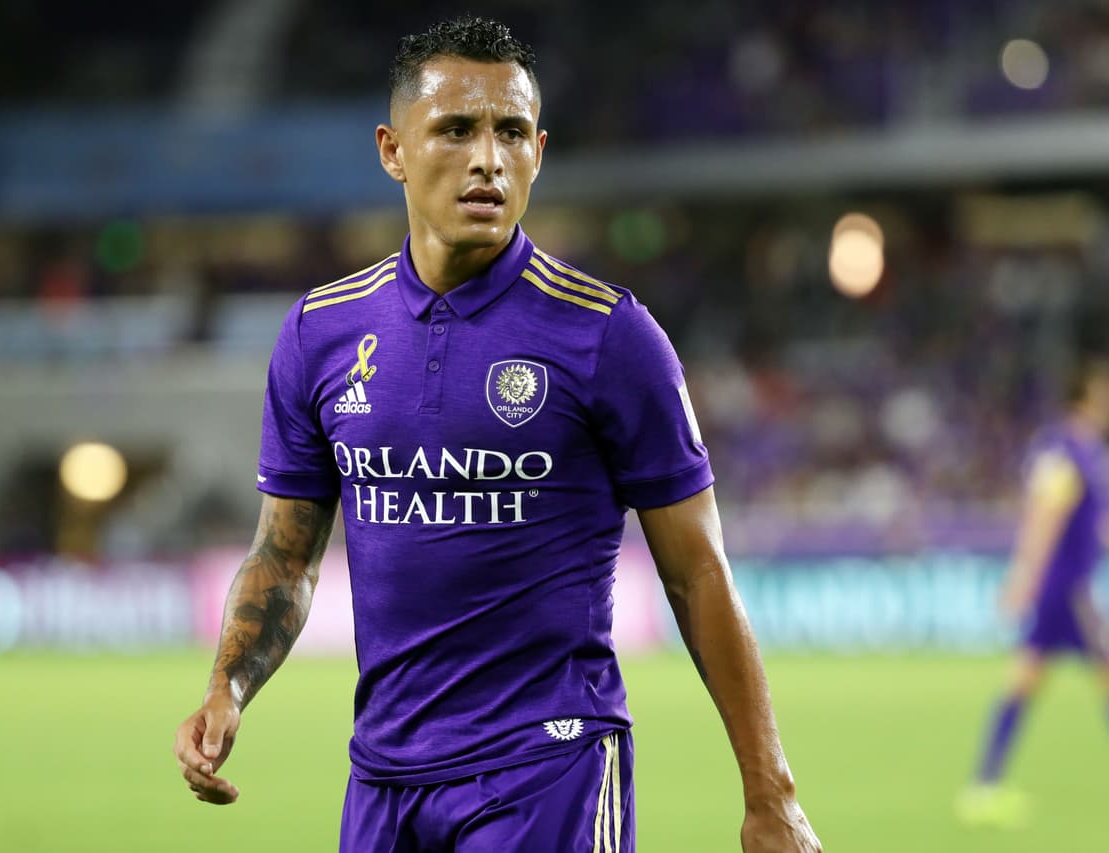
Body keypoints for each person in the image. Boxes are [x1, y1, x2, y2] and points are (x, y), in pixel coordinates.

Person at [174, 16, 820, 852]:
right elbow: (285, 555)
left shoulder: (610, 337)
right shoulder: (320, 333)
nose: (488, 159)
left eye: (511, 132)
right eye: (455, 129)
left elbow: (698, 570)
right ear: (392, 150)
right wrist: (227, 687)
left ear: (539, 152)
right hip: (383, 779)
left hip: (547, 769)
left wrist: (771, 791)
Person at [958, 354, 1109, 828]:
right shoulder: (1068, 450)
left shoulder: (1083, 450)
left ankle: (983, 786)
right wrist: (1024, 577)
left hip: (1063, 587)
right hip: (1068, 589)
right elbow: (1045, 517)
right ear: (1085, 392)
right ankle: (983, 787)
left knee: (1023, 682)